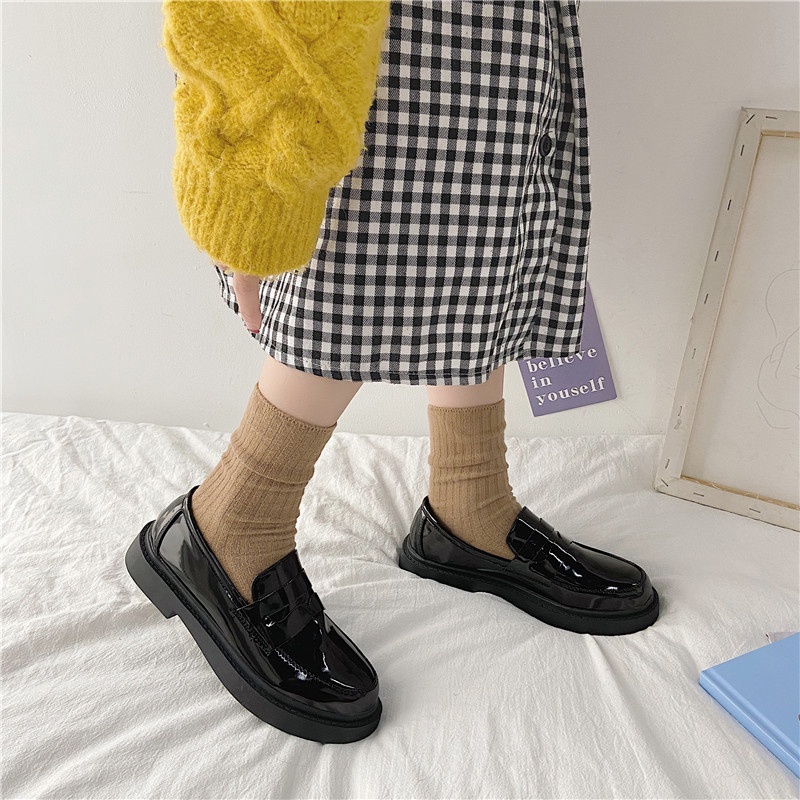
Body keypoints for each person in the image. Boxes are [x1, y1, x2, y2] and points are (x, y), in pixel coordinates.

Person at [125, 0, 660, 744]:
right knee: (350, 276)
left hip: (507, 36)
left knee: (480, 247)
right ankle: (232, 519)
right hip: (372, 32)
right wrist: (249, 190)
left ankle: (469, 503)